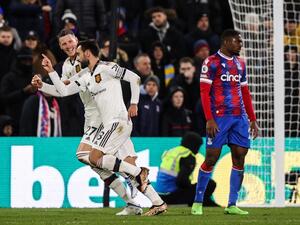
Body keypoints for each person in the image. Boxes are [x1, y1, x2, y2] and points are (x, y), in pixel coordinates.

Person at [33, 39, 168, 216]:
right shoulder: (86, 76)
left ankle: (136, 174)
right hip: (103, 124)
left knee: (100, 159)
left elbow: (135, 78)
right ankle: (154, 201)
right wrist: (48, 75)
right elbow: (64, 91)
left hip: (116, 122)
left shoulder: (108, 67)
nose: (75, 53)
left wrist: (134, 104)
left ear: (87, 53)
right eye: (63, 44)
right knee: (90, 158)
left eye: (79, 51)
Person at [191, 29, 259, 215]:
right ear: (227, 42)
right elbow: (204, 92)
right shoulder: (211, 62)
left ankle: (232, 204)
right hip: (219, 118)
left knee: (239, 157)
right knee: (211, 158)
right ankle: (198, 202)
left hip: (239, 118)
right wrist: (209, 119)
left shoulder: (240, 64)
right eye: (238, 41)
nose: (240, 45)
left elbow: (245, 92)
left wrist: (252, 119)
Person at [156, 132, 217, 206]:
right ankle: (200, 202)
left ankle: (205, 202)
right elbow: (181, 181)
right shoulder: (187, 156)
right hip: (172, 196)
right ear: (193, 145)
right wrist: (191, 188)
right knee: (209, 183)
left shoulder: (172, 151)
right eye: (198, 147)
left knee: (197, 190)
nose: (198, 151)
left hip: (160, 196)